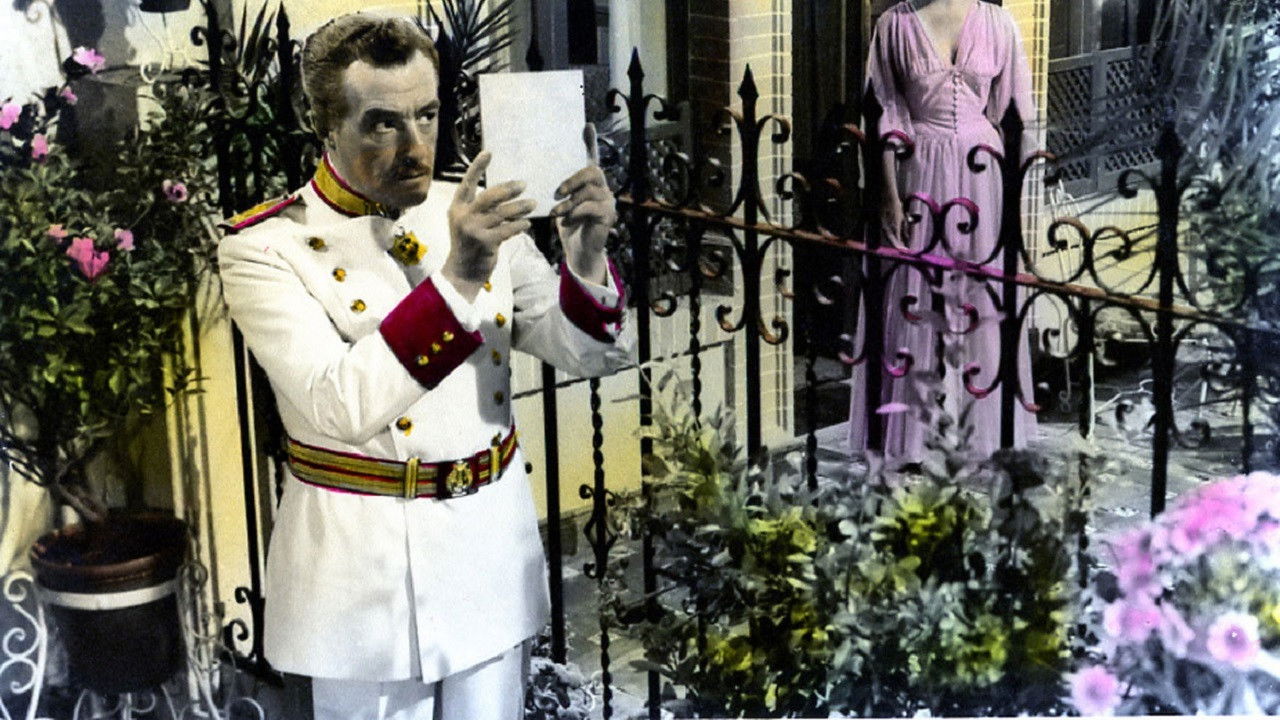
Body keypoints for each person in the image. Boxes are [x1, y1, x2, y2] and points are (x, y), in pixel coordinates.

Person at [216, 13, 633, 720]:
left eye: (428, 114)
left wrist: (585, 255)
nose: (416, 147)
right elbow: (338, 406)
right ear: (327, 125)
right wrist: (461, 276)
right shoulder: (265, 248)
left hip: (485, 554)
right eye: (382, 123)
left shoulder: (463, 210)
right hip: (359, 577)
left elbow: (584, 351)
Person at [848, 0, 1038, 464]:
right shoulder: (894, 26)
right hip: (921, 173)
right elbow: (884, 114)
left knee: (979, 298)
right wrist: (890, 196)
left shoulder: (998, 24)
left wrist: (1013, 198)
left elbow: (1015, 115)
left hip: (981, 176)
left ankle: (981, 430)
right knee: (916, 299)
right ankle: (913, 437)